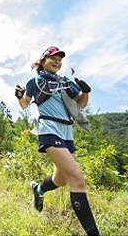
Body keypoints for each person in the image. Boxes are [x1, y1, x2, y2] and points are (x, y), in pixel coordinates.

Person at [15, 46, 100, 236]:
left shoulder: (66, 81)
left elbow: (82, 103)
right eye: (53, 58)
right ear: (43, 60)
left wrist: (85, 92)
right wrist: (20, 96)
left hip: (67, 132)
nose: (57, 62)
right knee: (77, 178)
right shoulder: (34, 82)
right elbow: (24, 105)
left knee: (59, 179)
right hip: (49, 129)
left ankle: (38, 189)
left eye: (60, 59)